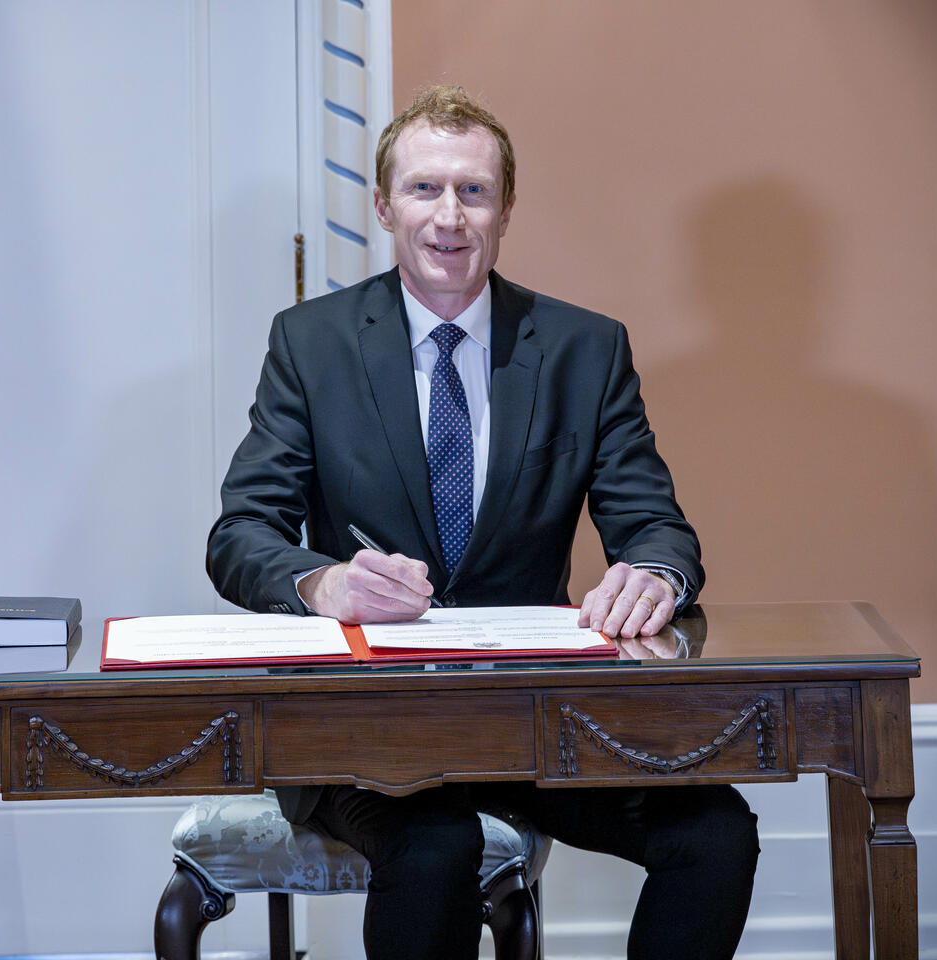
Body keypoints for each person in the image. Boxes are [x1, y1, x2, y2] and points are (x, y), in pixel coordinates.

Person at [207, 85, 759, 960]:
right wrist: (324, 584)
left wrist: (654, 576)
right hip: (367, 723)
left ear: (506, 208)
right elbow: (241, 534)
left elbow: (656, 526)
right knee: (435, 849)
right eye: (424, 189)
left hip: (532, 717)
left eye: (474, 191)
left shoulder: (584, 349)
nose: (449, 216)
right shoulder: (312, 344)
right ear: (384, 206)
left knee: (715, 833)